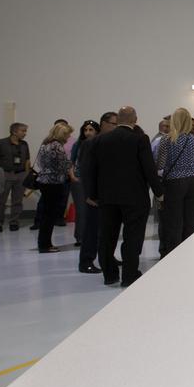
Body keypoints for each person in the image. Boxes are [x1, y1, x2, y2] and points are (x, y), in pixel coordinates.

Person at [84, 105, 162, 286]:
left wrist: (92, 194)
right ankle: (129, 275)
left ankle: (109, 275)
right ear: (135, 120)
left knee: (107, 236)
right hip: (134, 197)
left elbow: (91, 170)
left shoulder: (99, 140)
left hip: (107, 197)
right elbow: (148, 169)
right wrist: (159, 192)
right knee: (132, 237)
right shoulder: (139, 139)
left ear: (118, 120)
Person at [154, 108, 194, 258]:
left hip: (174, 183)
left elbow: (159, 165)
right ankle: (189, 254)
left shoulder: (167, 139)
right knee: (191, 221)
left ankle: (174, 256)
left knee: (174, 222)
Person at [75, 112, 115, 275]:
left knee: (106, 229)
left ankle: (107, 257)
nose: (116, 127)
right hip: (94, 195)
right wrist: (89, 195)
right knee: (92, 229)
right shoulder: (90, 144)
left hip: (107, 193)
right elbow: (86, 171)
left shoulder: (110, 142)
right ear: (104, 124)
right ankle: (86, 261)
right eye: (114, 123)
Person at [35, 122, 74, 253]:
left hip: (44, 181)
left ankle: (44, 242)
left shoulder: (45, 144)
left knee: (46, 214)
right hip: (54, 182)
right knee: (50, 215)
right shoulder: (57, 146)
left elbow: (40, 163)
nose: (69, 137)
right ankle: (45, 244)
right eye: (68, 134)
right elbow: (63, 165)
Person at [0, 122, 31, 231]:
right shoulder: (1, 143)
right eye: (23, 131)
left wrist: (27, 175)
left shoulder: (24, 144)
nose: (25, 133)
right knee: (0, 201)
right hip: (5, 174)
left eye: (25, 131)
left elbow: (27, 160)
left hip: (21, 175)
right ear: (14, 131)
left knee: (17, 201)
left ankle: (14, 222)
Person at [68, 120, 100, 247]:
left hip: (95, 179)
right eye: (85, 130)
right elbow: (71, 161)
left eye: (91, 130)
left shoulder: (100, 142)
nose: (88, 132)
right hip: (80, 179)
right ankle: (80, 237)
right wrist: (73, 176)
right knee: (82, 210)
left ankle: (95, 235)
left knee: (96, 209)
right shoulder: (79, 144)